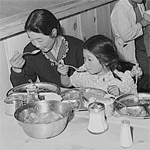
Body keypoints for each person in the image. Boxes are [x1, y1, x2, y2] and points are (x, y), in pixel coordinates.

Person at [10, 9, 84, 87]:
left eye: (40, 40)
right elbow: (23, 89)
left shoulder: (78, 47)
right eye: (31, 39)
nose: (36, 45)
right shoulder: (30, 51)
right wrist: (17, 70)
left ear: (54, 33)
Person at [57, 34, 145, 97]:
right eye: (84, 58)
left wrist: (119, 94)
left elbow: (130, 101)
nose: (86, 63)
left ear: (106, 60)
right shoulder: (84, 73)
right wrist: (64, 74)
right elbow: (68, 83)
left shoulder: (119, 79)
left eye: (90, 59)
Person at [111, 0, 150, 75]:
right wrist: (141, 24)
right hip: (133, 49)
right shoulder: (120, 9)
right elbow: (126, 35)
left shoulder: (139, 4)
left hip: (143, 42)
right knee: (146, 70)